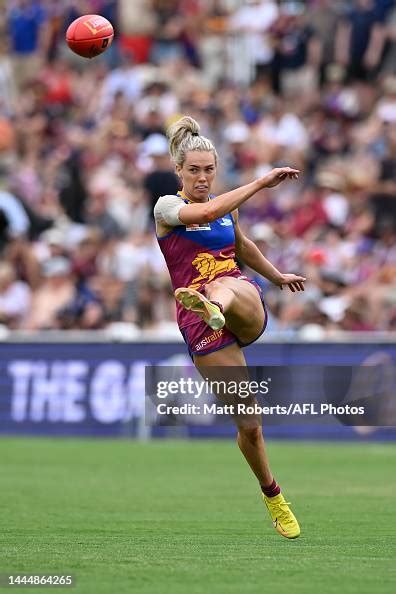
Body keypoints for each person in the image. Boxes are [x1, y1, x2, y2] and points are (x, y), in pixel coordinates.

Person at [153, 116, 306, 539]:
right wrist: (259, 183)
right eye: (194, 170)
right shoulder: (166, 207)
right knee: (250, 426)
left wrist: (276, 277)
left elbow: (241, 246)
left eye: (208, 170)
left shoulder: (227, 206)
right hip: (201, 327)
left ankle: (211, 303)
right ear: (179, 171)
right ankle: (274, 496)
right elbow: (205, 212)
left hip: (240, 301)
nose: (202, 177)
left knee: (223, 281)